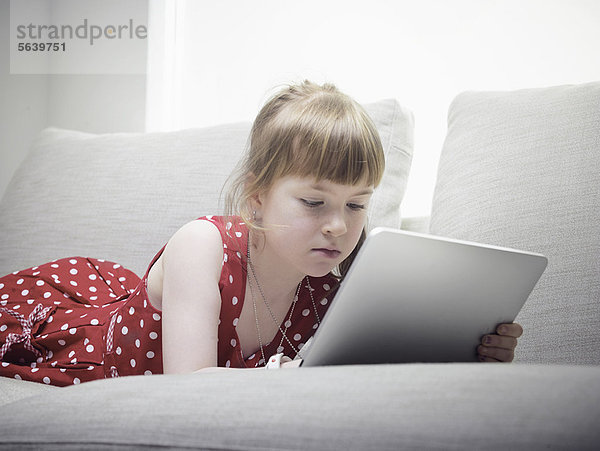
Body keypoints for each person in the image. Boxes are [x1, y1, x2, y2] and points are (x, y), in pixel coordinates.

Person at [0, 81, 522, 386]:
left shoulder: (335, 282)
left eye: (357, 204)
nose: (338, 225)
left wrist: (470, 355)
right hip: (82, 338)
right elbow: (189, 392)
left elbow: (373, 376)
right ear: (256, 196)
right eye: (314, 202)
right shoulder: (202, 248)